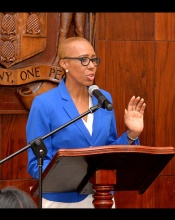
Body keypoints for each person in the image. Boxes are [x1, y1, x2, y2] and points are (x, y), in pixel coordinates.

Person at [26, 37, 146, 208]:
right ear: (65, 64)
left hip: (102, 197)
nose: (92, 65)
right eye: (84, 60)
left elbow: (109, 150)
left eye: (94, 59)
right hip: (61, 201)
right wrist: (77, 177)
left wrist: (132, 134)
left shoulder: (103, 99)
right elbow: (35, 164)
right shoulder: (44, 104)